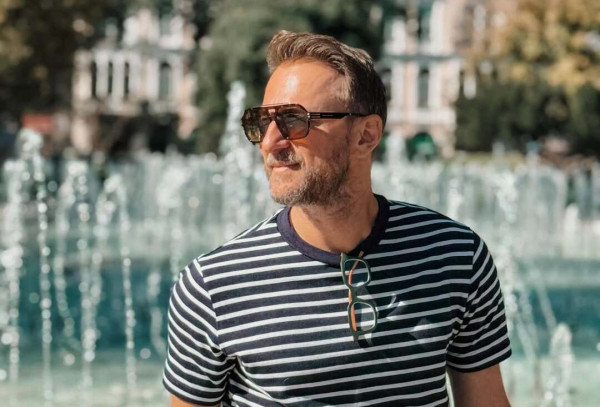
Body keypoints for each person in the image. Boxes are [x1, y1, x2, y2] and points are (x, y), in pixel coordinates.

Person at [163, 30, 512, 407]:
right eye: (261, 122)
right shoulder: (212, 286)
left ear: (366, 135)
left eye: (293, 120)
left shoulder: (456, 257)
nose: (269, 142)